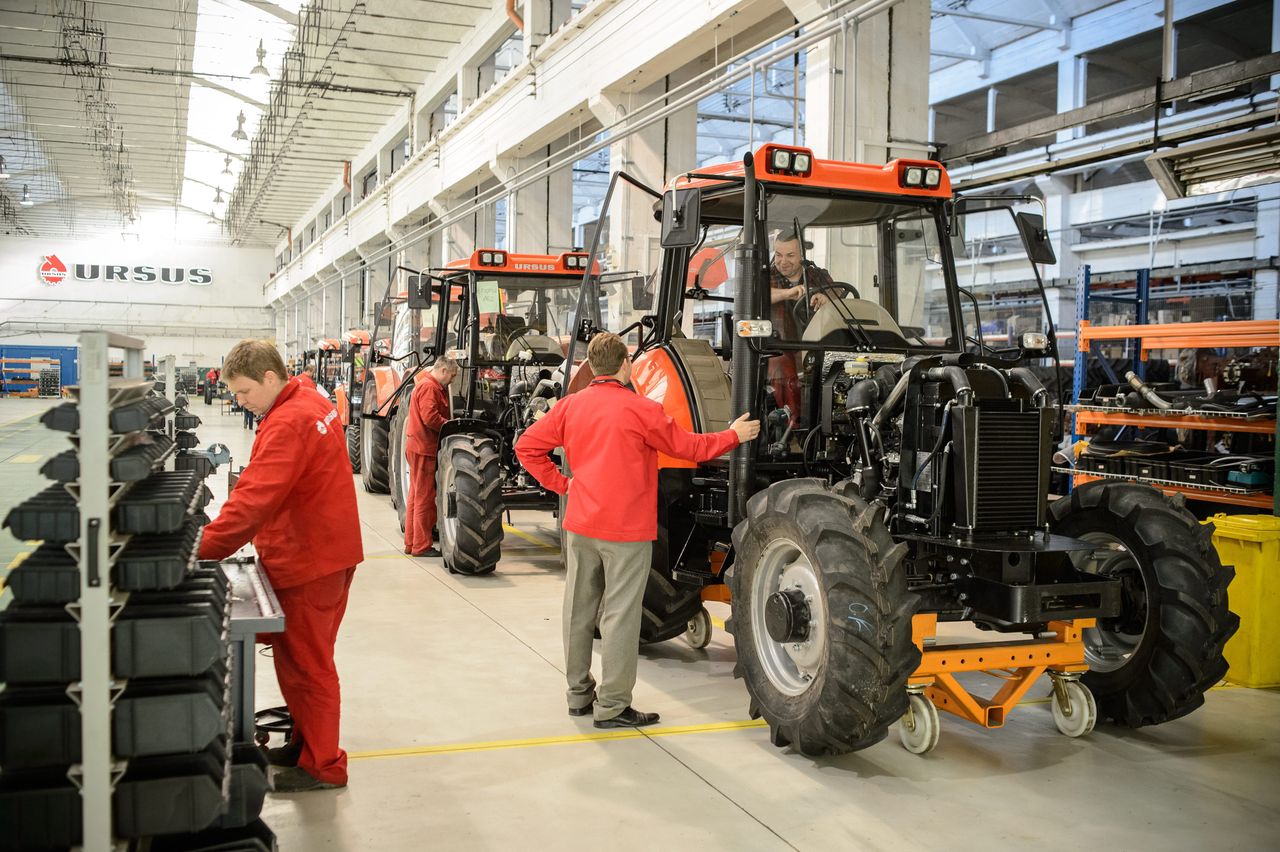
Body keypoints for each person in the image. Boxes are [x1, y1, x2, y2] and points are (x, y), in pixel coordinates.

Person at [515, 333, 760, 728]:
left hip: (580, 527)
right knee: (620, 617)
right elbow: (693, 448)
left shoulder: (569, 407)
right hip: (626, 533)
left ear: (592, 367)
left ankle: (578, 696)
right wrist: (734, 435)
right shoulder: (642, 410)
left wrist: (563, 485)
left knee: (578, 611)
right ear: (626, 365)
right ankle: (611, 706)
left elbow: (526, 446)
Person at [198, 339, 363, 793]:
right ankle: (306, 745)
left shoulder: (289, 421)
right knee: (300, 662)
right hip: (327, 550)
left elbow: (254, 502)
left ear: (270, 378)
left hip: (309, 560)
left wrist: (198, 548)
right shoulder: (307, 398)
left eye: (244, 391)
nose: (240, 401)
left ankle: (324, 766)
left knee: (308, 668)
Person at [768, 232, 835, 423]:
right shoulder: (766, 275)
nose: (782, 261)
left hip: (816, 345)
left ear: (802, 255)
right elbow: (757, 294)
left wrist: (826, 298)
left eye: (790, 255)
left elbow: (838, 294)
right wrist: (788, 293)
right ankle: (793, 423)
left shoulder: (817, 275)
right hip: (778, 346)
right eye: (778, 255)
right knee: (780, 365)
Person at [403, 355, 458, 557]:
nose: (451, 381)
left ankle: (411, 542)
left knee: (416, 496)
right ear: (443, 370)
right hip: (424, 447)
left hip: (418, 446)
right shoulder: (430, 387)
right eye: (451, 376)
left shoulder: (426, 384)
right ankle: (421, 546)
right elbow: (430, 417)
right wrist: (450, 426)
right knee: (425, 498)